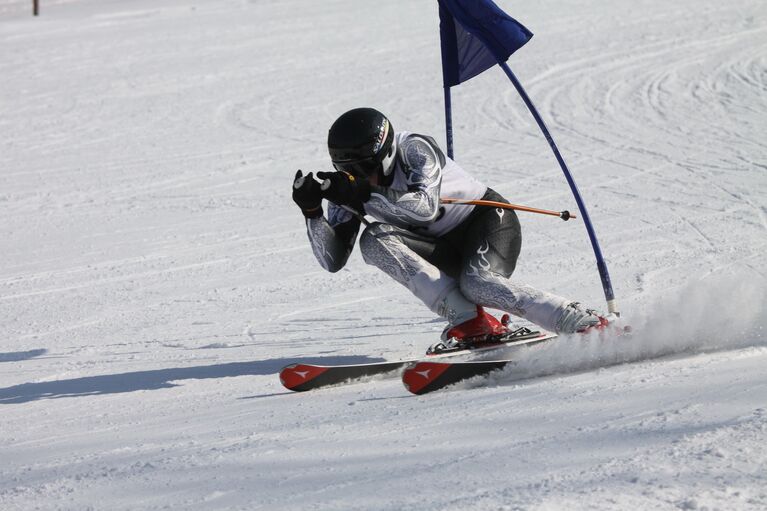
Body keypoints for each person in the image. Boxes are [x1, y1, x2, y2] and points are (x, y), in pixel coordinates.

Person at [292, 107, 603, 342]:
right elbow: (332, 260)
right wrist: (311, 211)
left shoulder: (414, 148)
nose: (362, 176)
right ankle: (469, 320)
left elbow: (424, 209)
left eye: (366, 167)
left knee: (479, 284)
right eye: (350, 171)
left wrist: (362, 192)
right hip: (441, 248)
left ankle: (579, 320)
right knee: (373, 240)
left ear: (386, 152)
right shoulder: (351, 186)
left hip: (485, 224)